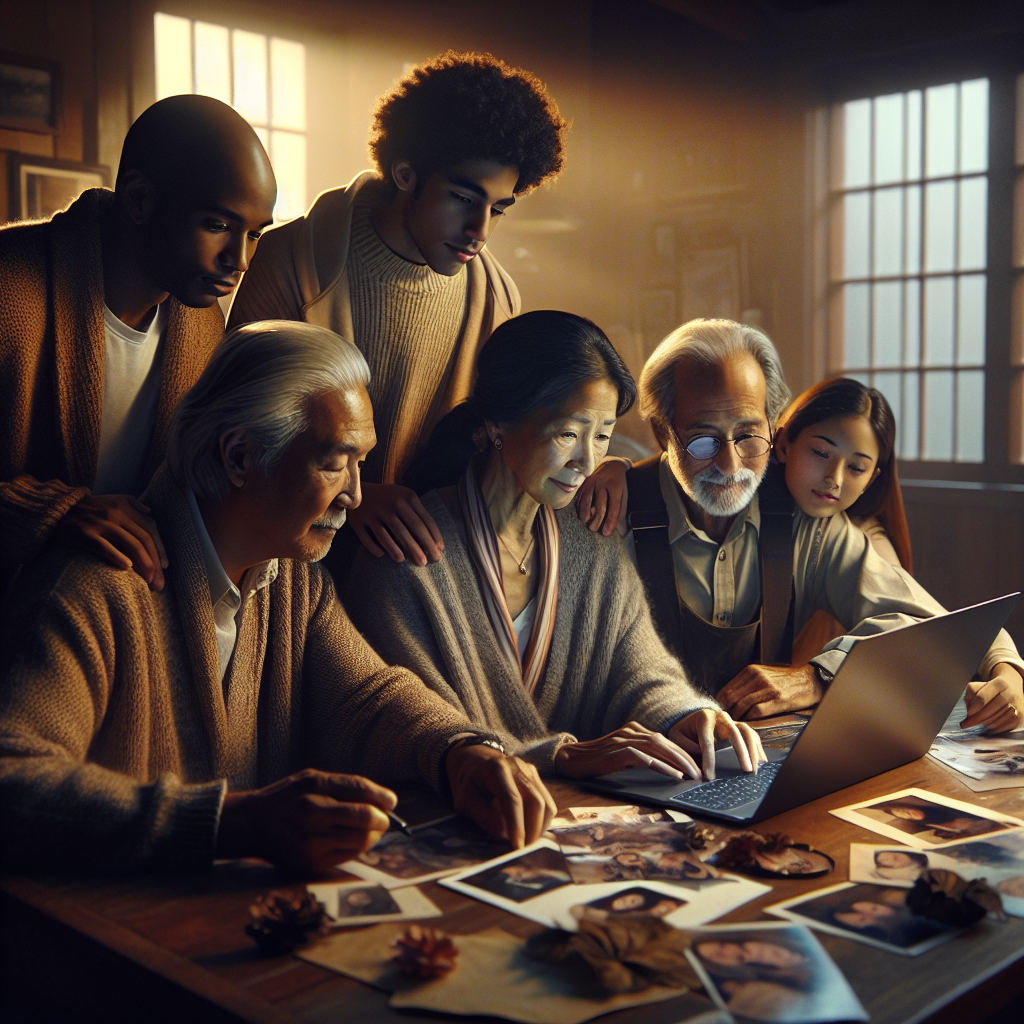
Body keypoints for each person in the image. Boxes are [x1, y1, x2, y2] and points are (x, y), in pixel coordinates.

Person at [0, 321, 554, 873]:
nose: (356, 496)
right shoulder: (88, 589)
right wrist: (230, 823)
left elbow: (369, 697)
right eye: (336, 463)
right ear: (240, 456)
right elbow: (12, 779)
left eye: (361, 464)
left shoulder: (293, 582)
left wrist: (460, 750)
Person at [346, 311, 765, 782]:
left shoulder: (591, 540)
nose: (586, 461)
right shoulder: (406, 553)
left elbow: (641, 670)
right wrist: (556, 757)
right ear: (499, 423)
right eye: (569, 433)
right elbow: (406, 729)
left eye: (602, 435)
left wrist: (683, 714)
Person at [578, 318, 1024, 724]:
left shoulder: (802, 516)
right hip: (641, 759)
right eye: (702, 439)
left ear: (774, 429)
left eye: (750, 435)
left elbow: (918, 622)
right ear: (662, 432)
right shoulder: (611, 511)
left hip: (757, 758)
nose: (731, 465)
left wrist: (817, 676)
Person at [228, 50, 568, 572]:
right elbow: (240, 436)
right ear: (405, 174)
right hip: (286, 565)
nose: (481, 229)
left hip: (419, 567)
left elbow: (494, 448)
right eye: (462, 197)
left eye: (498, 209)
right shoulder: (289, 263)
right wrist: (356, 496)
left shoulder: (497, 298)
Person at [0, 94, 277, 602]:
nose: (239, 260)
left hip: (113, 622)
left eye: (255, 234)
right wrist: (49, 513)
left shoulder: (202, 327)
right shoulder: (10, 286)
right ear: (140, 199)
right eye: (217, 225)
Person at [776, 377, 1023, 732]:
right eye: (820, 453)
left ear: (872, 477)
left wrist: (1008, 670)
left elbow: (931, 619)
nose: (834, 478)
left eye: (856, 467)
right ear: (785, 442)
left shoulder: (851, 535)